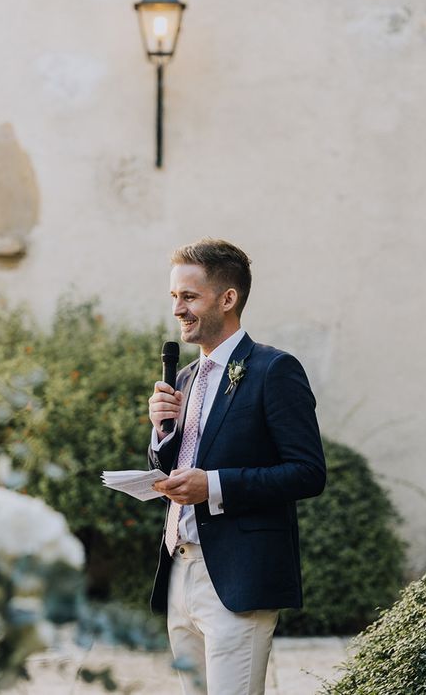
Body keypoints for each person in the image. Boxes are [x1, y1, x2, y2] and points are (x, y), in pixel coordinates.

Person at [148, 238, 326, 695]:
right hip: (179, 569)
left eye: (189, 297)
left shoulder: (274, 370)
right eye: (175, 297)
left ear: (228, 299)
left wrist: (215, 486)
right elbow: (180, 463)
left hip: (238, 576)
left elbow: (308, 471)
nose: (178, 310)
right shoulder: (186, 377)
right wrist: (160, 431)